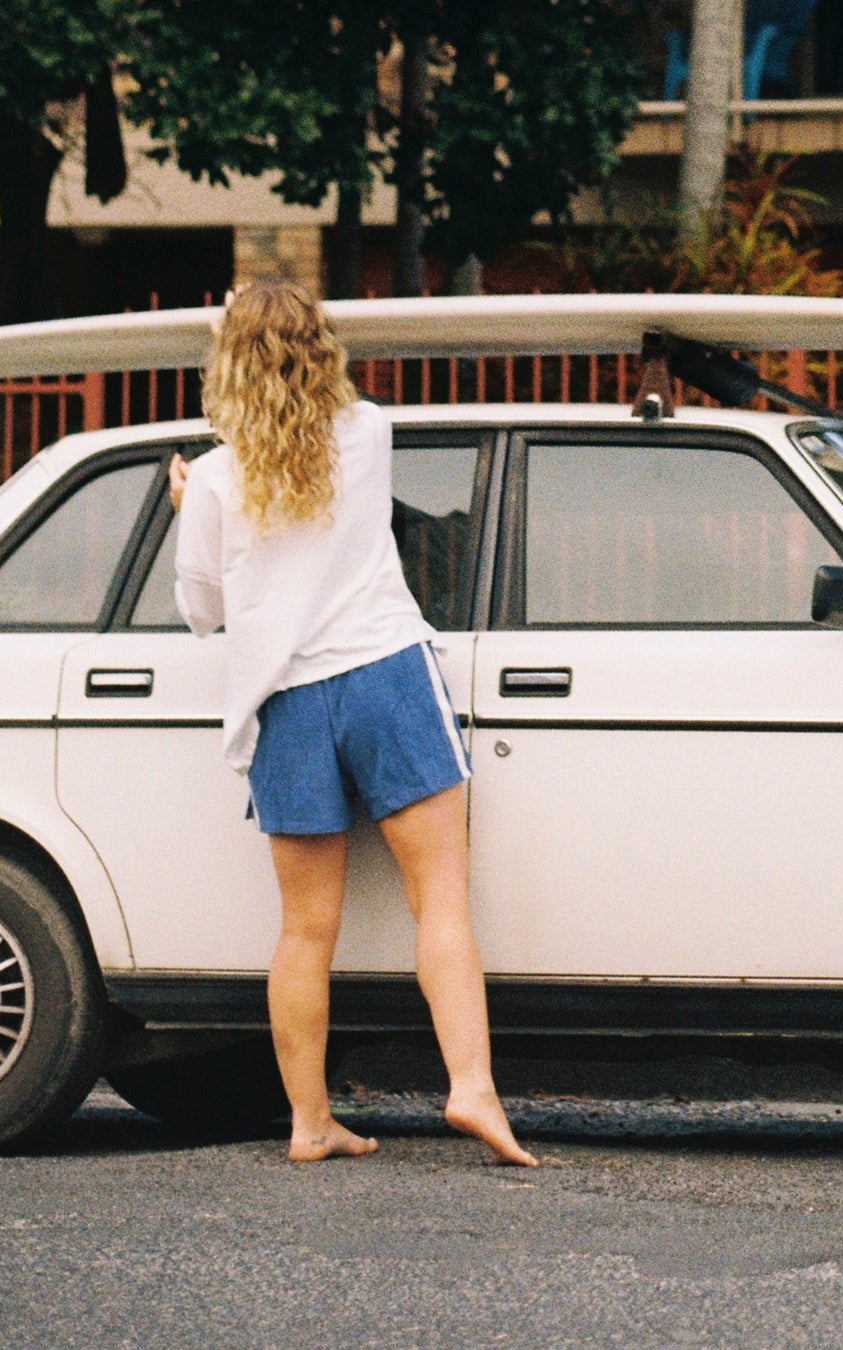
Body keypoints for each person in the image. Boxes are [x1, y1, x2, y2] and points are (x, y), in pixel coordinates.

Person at [170, 280, 534, 1167]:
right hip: (383, 675)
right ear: (321, 350)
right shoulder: (368, 433)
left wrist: (189, 508)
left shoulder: (215, 477)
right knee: (440, 896)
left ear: (226, 362)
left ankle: (309, 1122)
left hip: (288, 702)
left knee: (305, 930)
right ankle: (473, 1090)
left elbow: (200, 612)